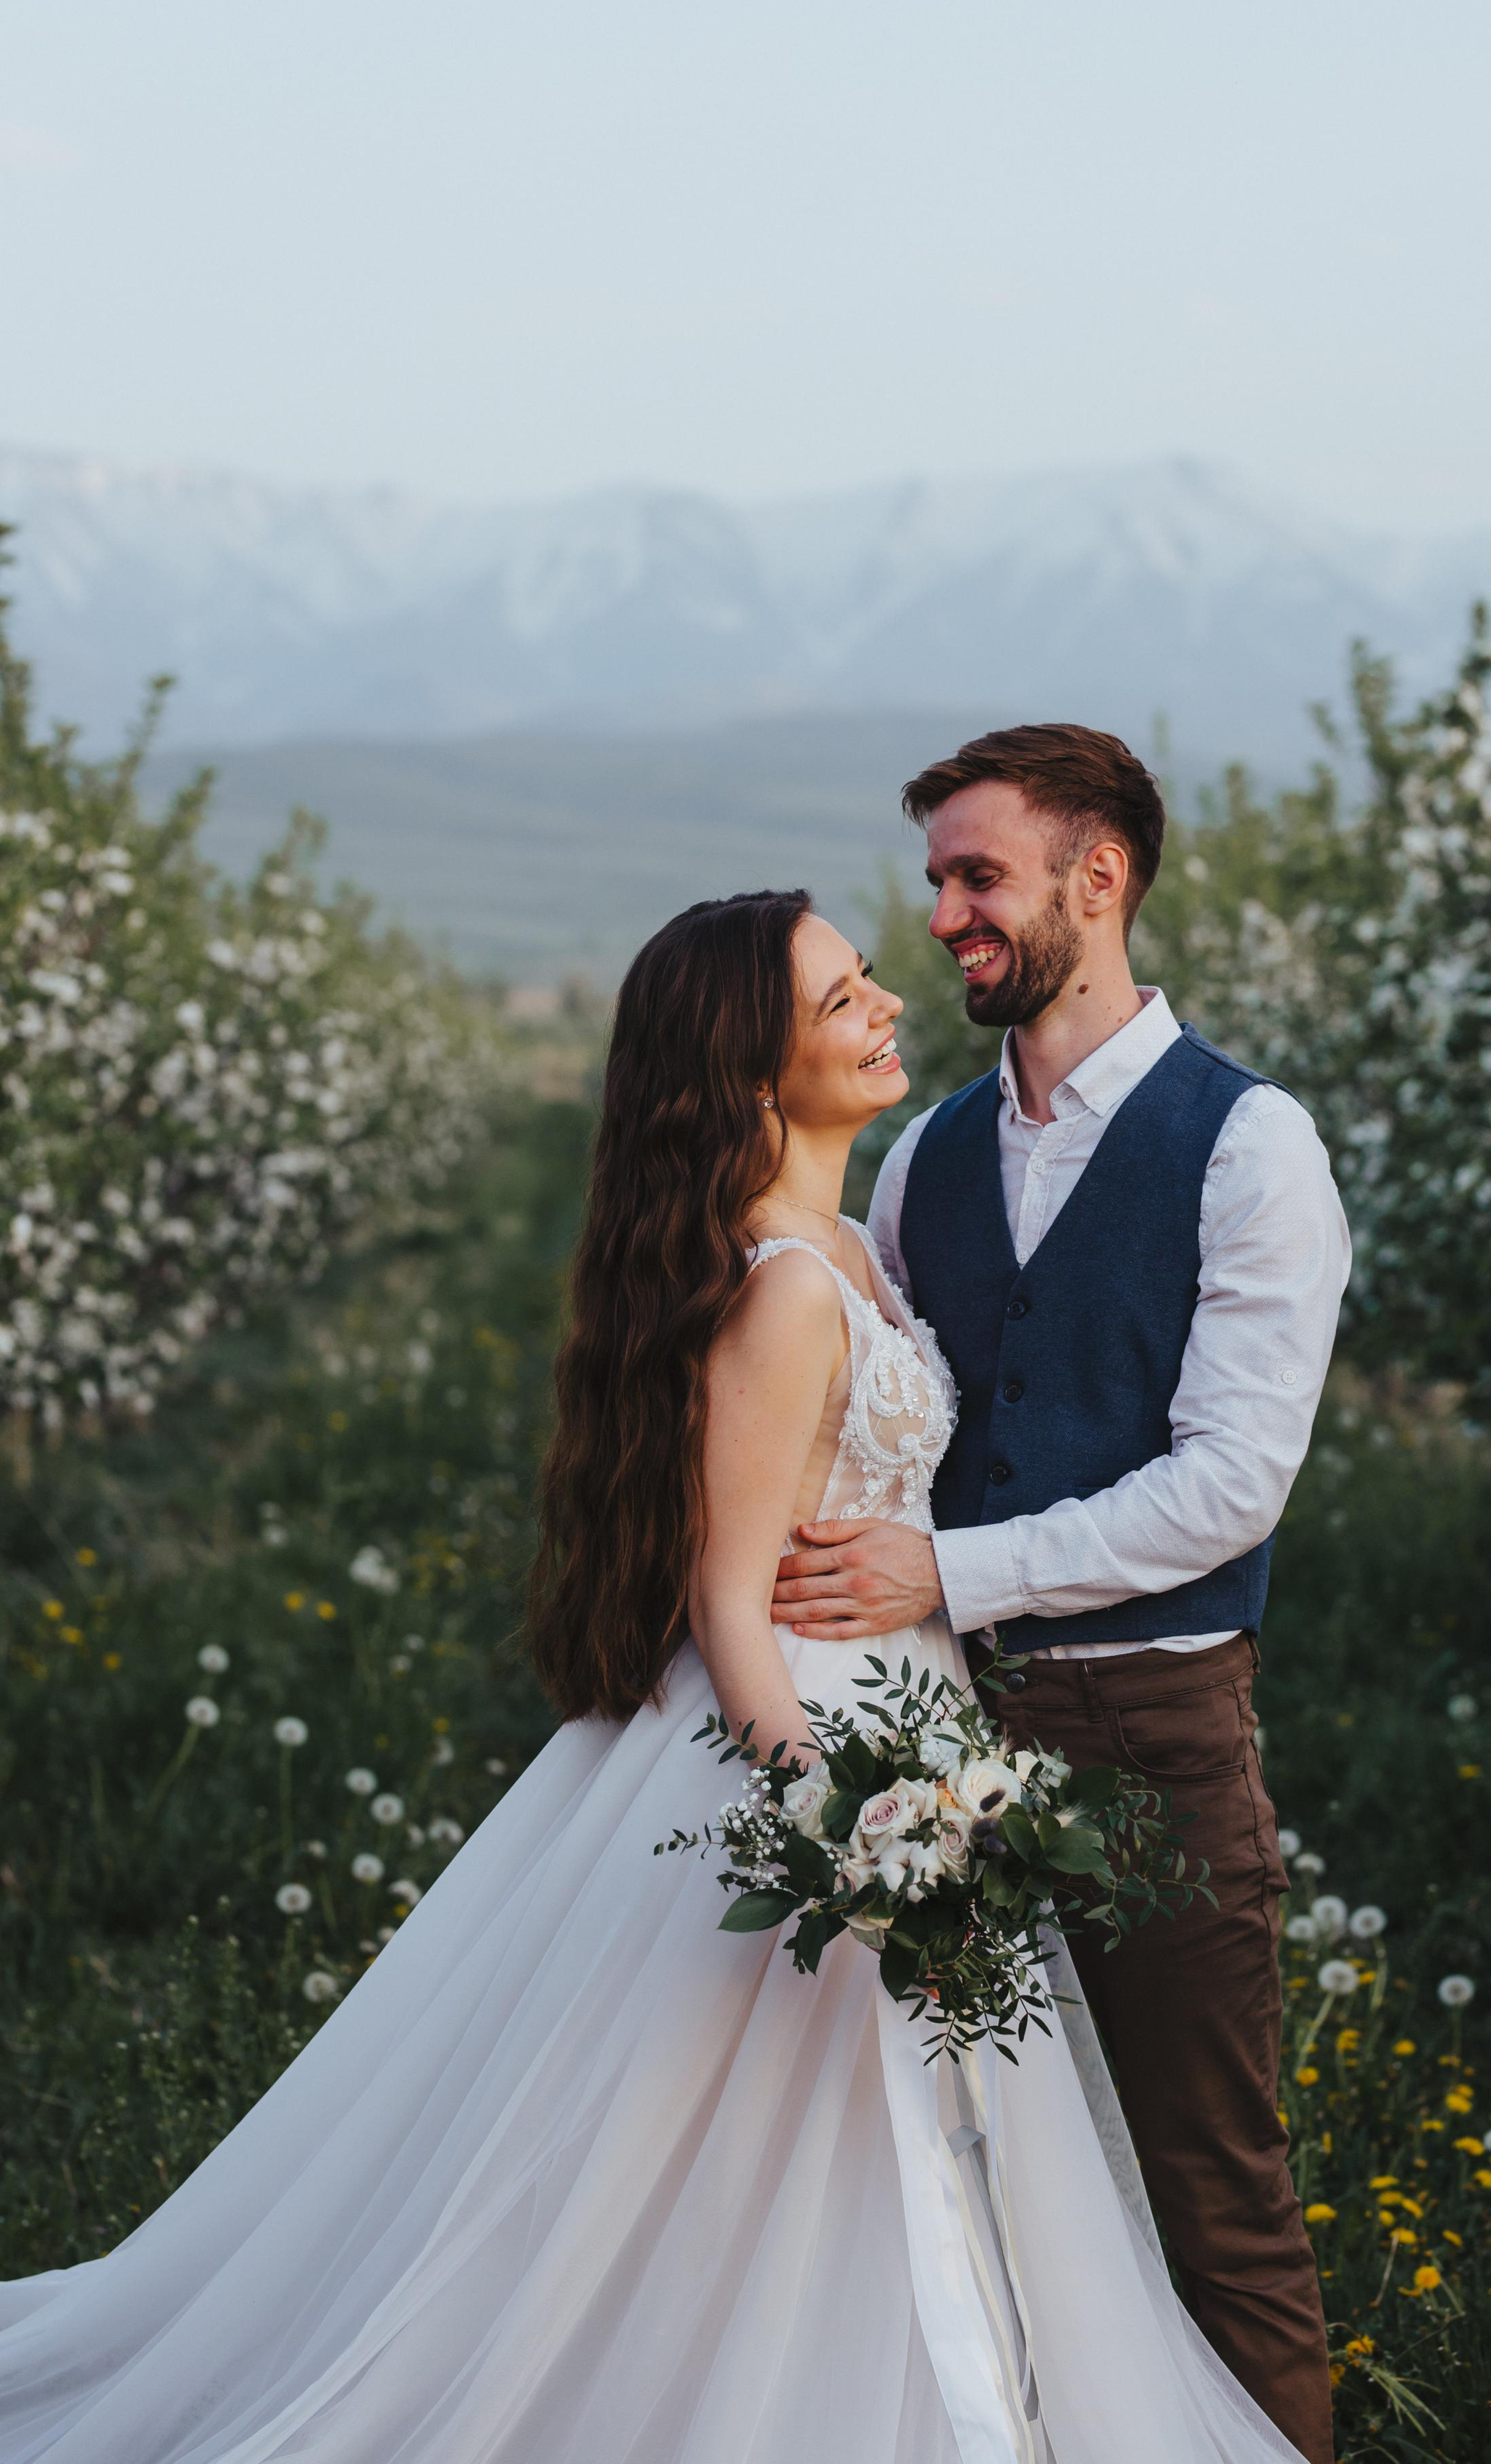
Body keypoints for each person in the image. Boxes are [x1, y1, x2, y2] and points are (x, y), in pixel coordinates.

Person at [0, 886, 1303, 2464]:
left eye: (863, 982)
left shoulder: (851, 1235)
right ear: (755, 1074)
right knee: (744, 2146)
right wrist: (840, 1828)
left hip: (912, 1716)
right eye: (839, 1001)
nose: (886, 1002)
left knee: (888, 2145)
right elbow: (727, 1601)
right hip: (828, 1753)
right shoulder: (780, 1290)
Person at [770, 728, 1351, 2464]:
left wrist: (955, 1569)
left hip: (1149, 1733)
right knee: (962, 2185)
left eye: (976, 877)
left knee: (1208, 2197)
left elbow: (1229, 1484)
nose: (943, 914)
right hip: (921, 1741)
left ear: (1097, 879)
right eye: (934, 880)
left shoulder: (1250, 1148)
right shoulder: (923, 1156)